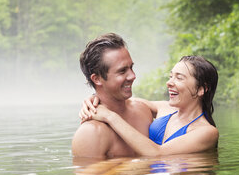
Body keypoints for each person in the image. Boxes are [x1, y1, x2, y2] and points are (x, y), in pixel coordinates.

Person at [80, 56, 219, 156]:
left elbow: (157, 154)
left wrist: (110, 117)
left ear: (201, 89)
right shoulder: (165, 108)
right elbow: (123, 100)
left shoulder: (206, 132)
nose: (169, 83)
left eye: (179, 78)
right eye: (171, 76)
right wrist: (95, 98)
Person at [72, 33, 153, 159]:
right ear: (97, 79)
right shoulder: (91, 133)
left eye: (131, 68)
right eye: (122, 71)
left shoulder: (142, 110)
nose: (132, 76)